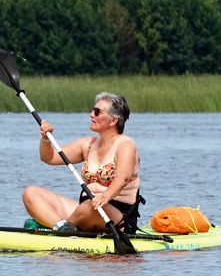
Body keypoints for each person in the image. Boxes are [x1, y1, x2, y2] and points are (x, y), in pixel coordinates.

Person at [22, 92, 142, 233]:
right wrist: (46, 139)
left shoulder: (126, 144)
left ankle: (58, 226)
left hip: (116, 215)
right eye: (92, 110)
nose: (91, 114)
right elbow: (50, 158)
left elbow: (124, 177)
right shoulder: (88, 144)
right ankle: (61, 227)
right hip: (85, 210)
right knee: (31, 193)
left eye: (97, 112)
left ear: (113, 120)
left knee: (90, 206)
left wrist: (104, 197)